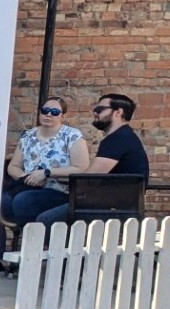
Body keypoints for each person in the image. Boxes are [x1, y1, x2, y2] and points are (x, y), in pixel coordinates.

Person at [38, 92, 150, 227]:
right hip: (114, 205)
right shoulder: (124, 136)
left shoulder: (118, 139)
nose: (95, 113)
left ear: (118, 112)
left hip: (109, 209)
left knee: (44, 221)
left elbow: (88, 179)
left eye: (99, 109)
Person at [1, 96, 88, 229]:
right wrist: (26, 178)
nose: (48, 114)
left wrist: (47, 173)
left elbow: (81, 168)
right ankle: (23, 231)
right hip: (30, 186)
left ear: (62, 116)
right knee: (4, 200)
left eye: (54, 112)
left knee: (23, 201)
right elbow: (13, 166)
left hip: (60, 190)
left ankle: (32, 238)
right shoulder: (28, 136)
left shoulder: (72, 136)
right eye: (45, 110)